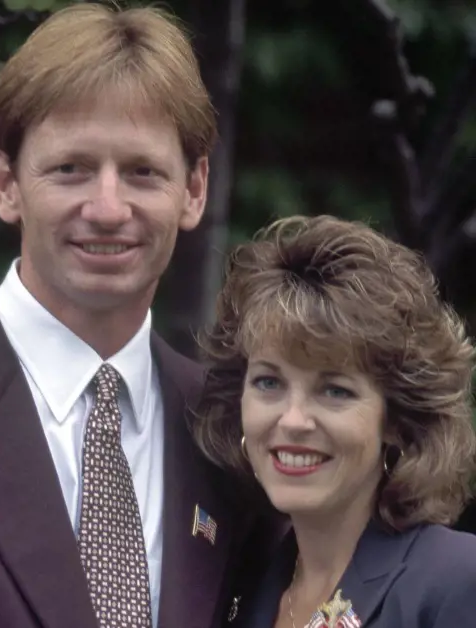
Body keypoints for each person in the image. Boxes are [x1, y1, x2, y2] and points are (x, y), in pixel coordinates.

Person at [0, 4, 282, 627]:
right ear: (5, 183)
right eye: (71, 169)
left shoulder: (234, 433)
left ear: (193, 190)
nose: (107, 208)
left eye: (142, 172)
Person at [192, 215, 476, 627]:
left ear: (396, 418)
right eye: (269, 382)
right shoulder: (243, 586)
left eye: (334, 391)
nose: (292, 420)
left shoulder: (455, 580)